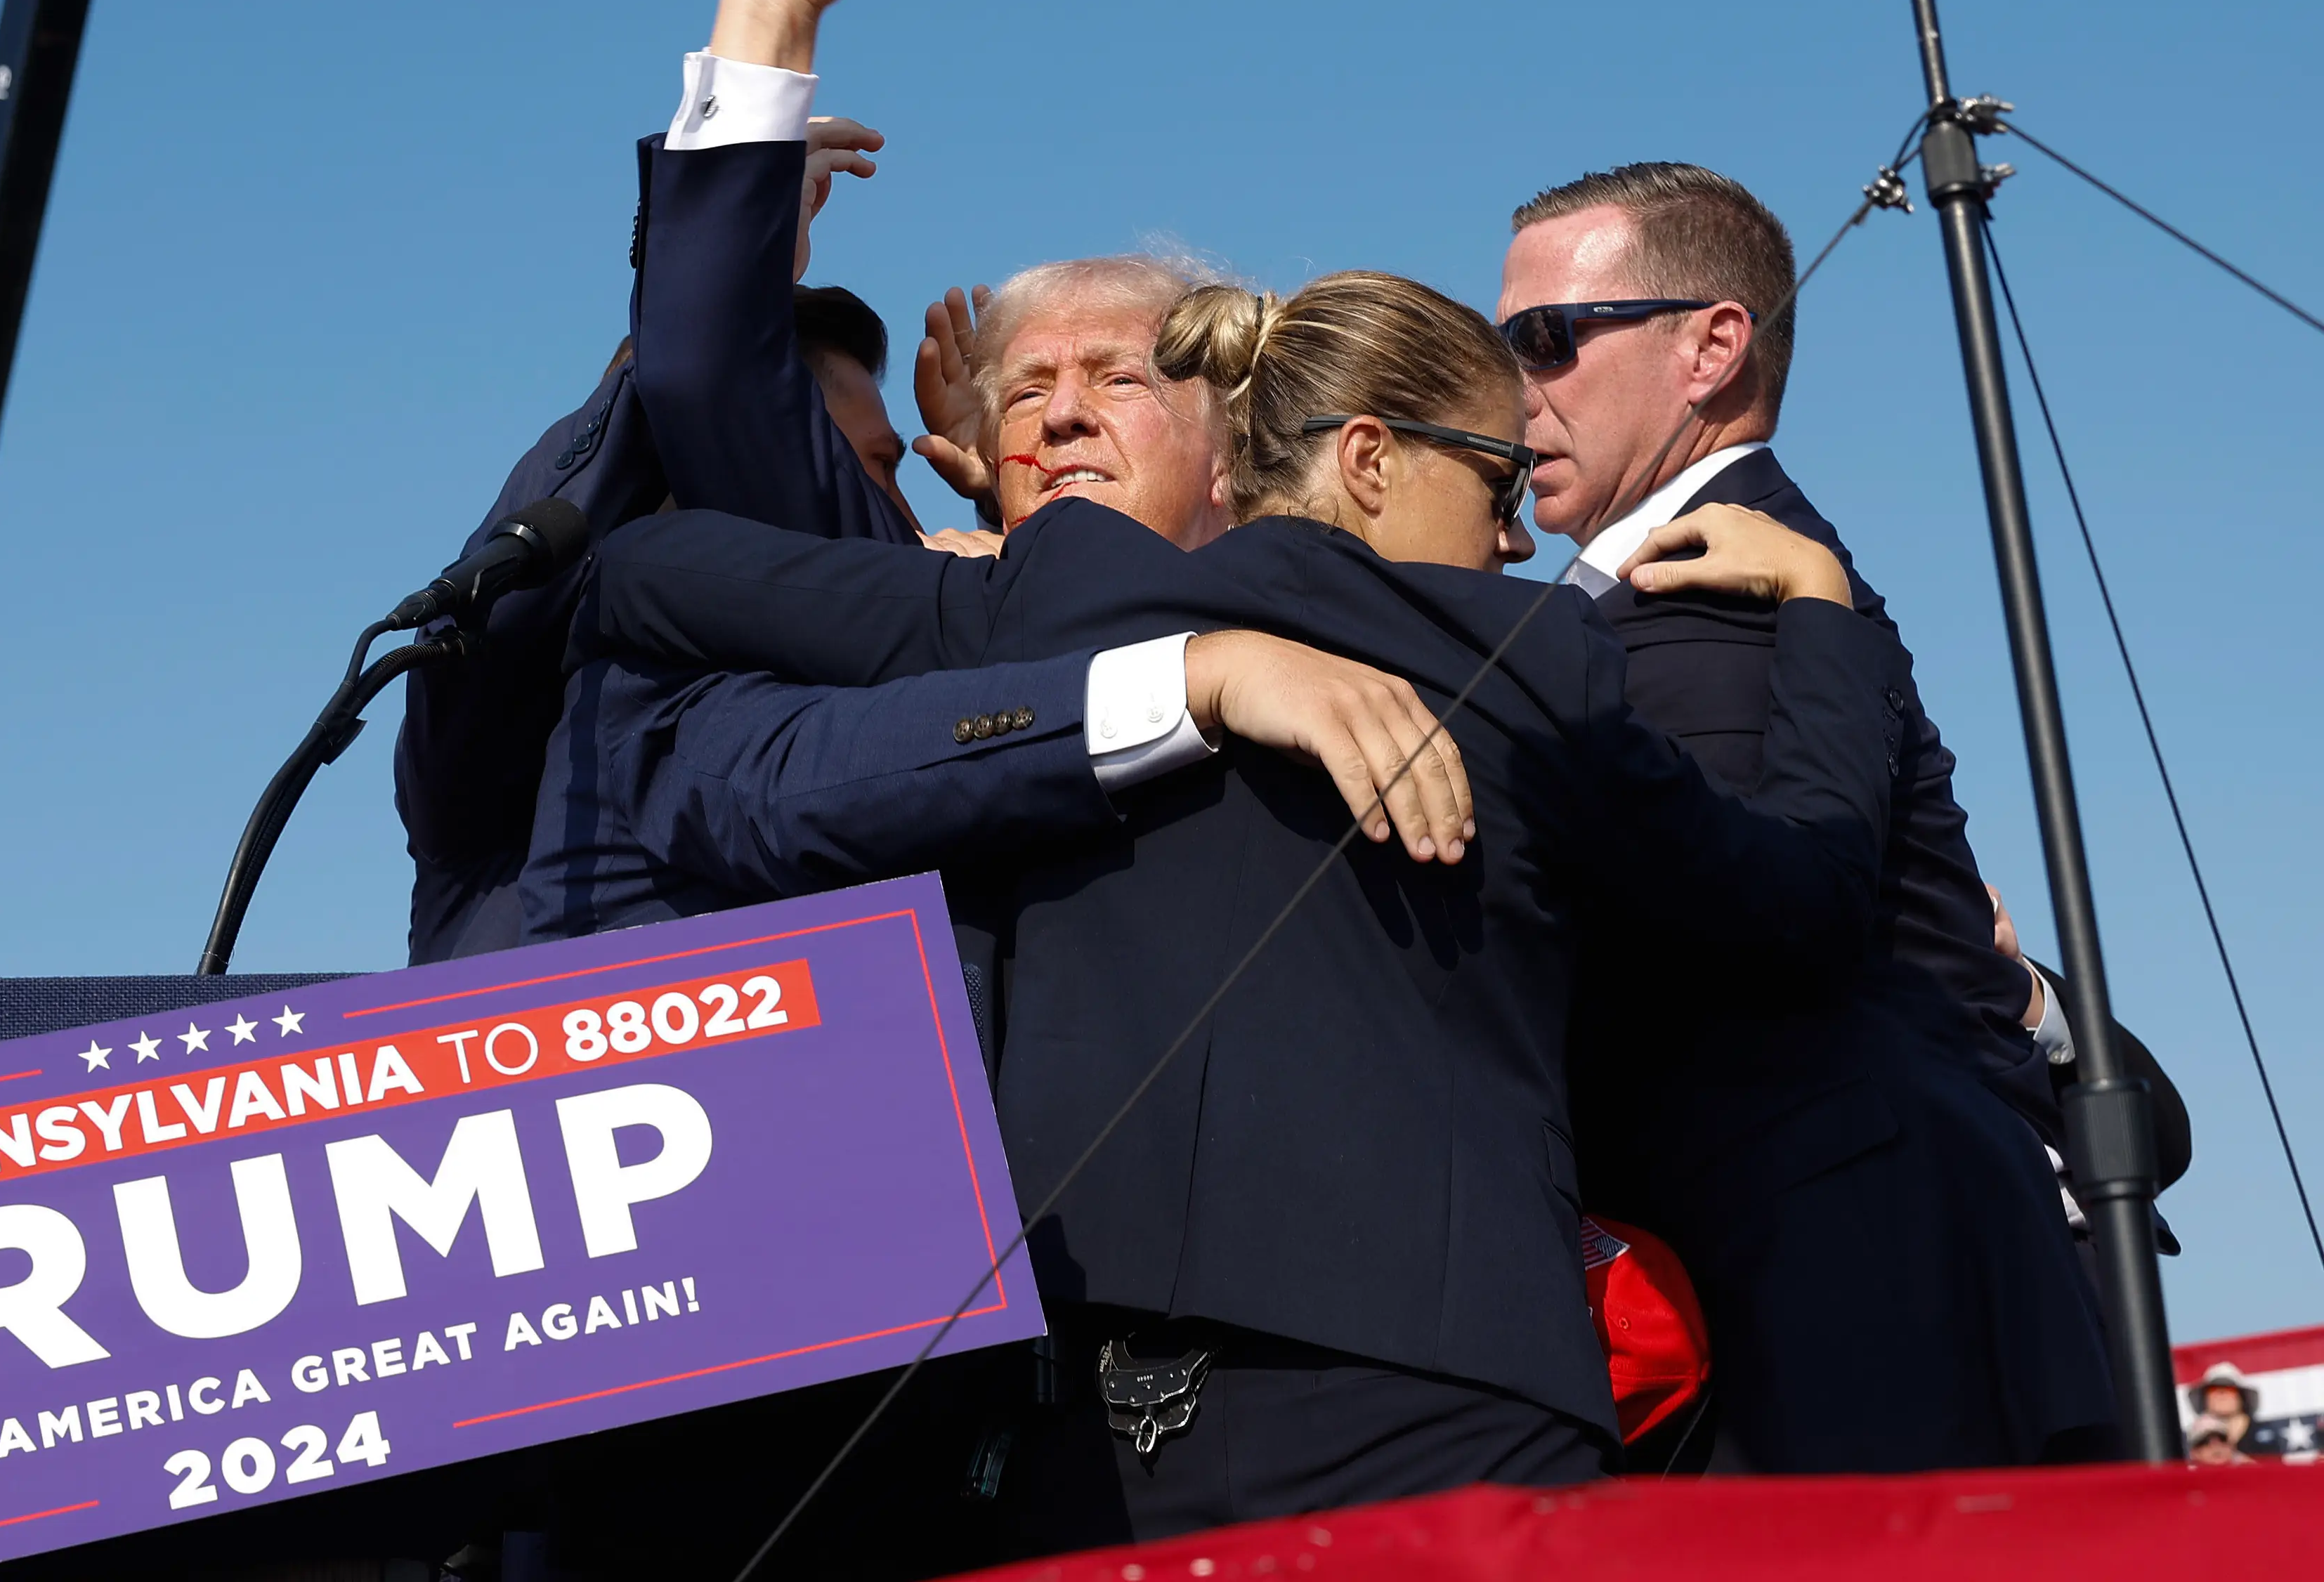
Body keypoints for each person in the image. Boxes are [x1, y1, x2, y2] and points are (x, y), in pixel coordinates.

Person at [562, 268, 1912, 1549]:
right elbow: (1801, 906)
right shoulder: (1535, 649)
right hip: (1435, 1403)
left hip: (1082, 1425)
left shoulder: (1063, 594)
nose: (1514, 532)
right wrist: (1827, 612)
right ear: (1372, 458)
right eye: (1498, 480)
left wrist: (950, 579)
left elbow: (640, 580)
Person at [1496, 161, 2120, 1468]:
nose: (1512, 391)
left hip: (1846, 1302)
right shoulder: (1716, 583)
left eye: (1546, 339)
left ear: (1711, 345)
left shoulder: (1720, 591)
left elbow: (1759, 922)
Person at [392, 0, 927, 965]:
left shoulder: (921, 684)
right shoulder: (506, 774)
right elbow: (693, 378)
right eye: (857, 458)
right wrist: (732, 248)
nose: (893, 486)